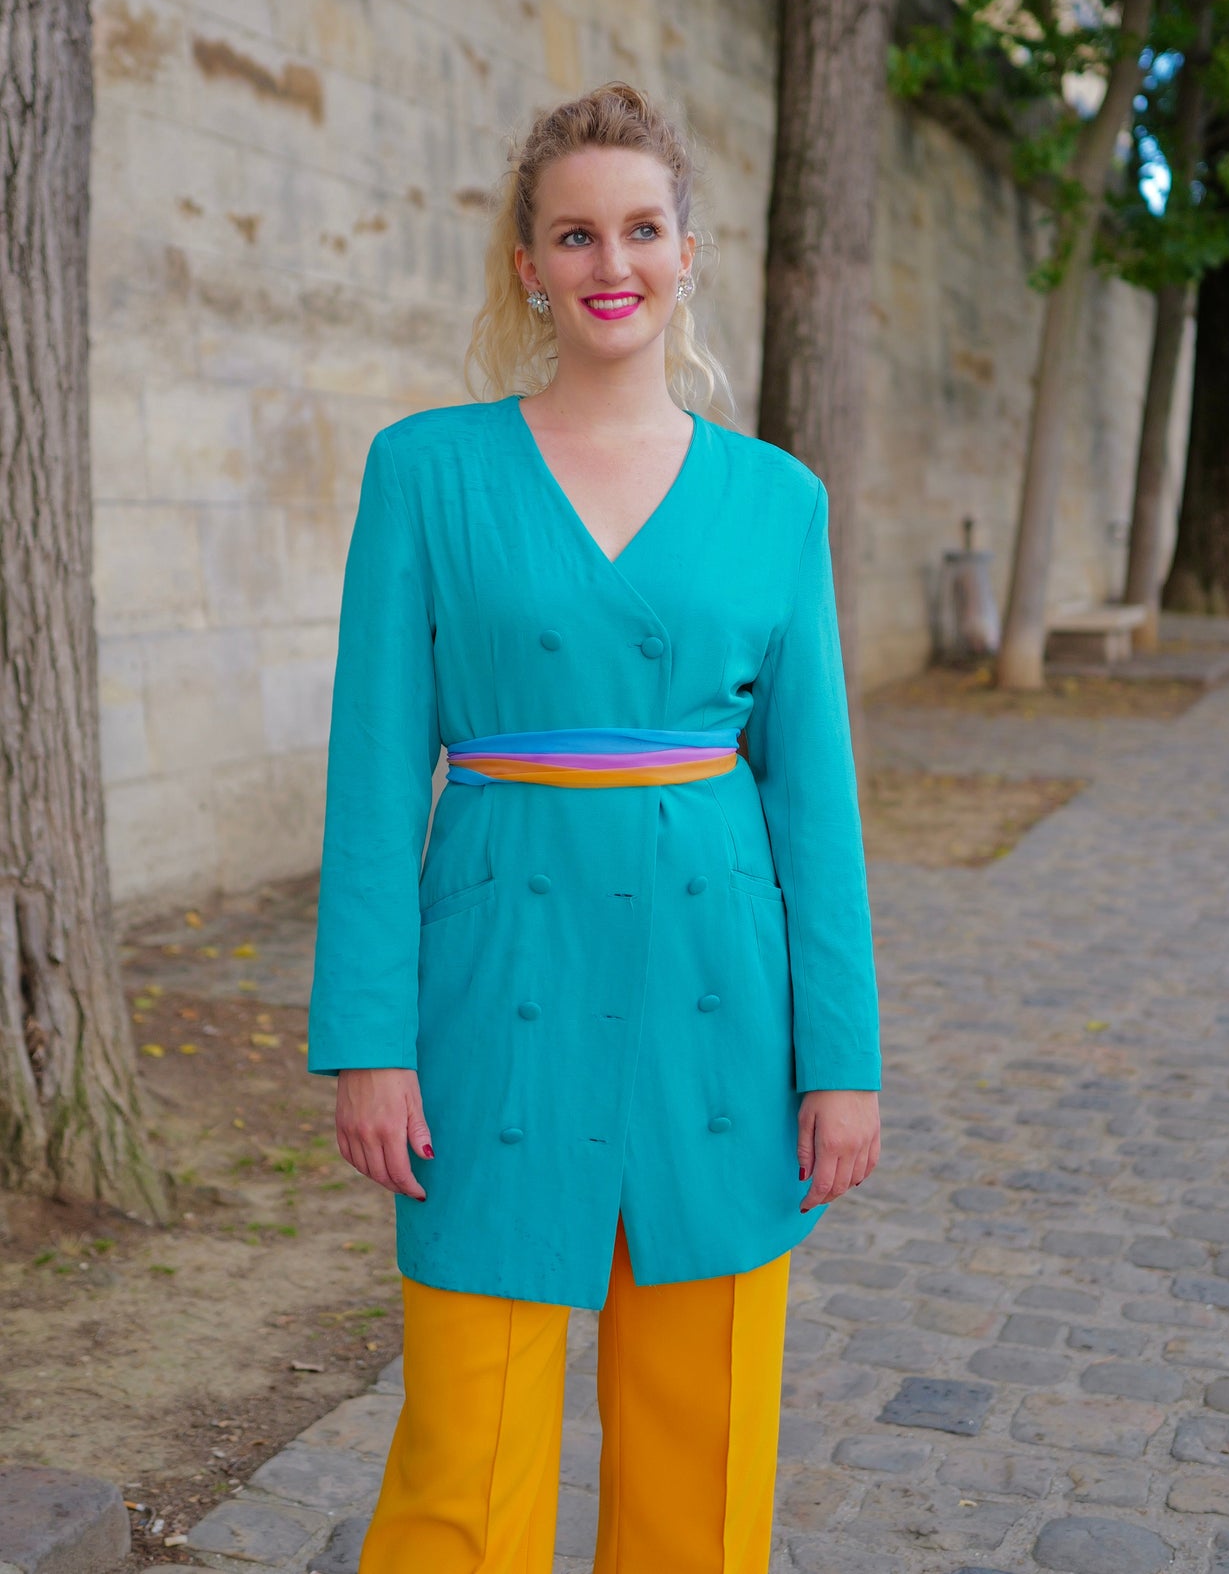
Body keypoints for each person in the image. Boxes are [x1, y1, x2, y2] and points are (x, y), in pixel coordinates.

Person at [308, 80, 883, 1573]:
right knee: (464, 1453)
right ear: (529, 265)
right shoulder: (426, 473)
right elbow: (373, 777)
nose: (609, 262)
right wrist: (369, 1038)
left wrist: (841, 1064)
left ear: (688, 252)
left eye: (640, 229)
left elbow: (814, 803)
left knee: (703, 1456)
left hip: (720, 995)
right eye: (574, 235)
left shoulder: (777, 500)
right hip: (494, 978)